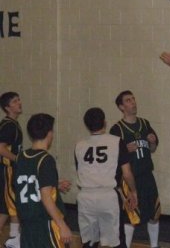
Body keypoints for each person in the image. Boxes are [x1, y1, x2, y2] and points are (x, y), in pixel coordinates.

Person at [75, 107, 138, 248]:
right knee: (116, 241)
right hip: (108, 196)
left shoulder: (79, 145)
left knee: (89, 242)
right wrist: (133, 191)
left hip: (86, 196)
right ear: (104, 122)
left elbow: (80, 170)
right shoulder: (116, 141)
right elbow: (127, 173)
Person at [110, 91, 161, 248]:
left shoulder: (144, 124)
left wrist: (152, 142)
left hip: (147, 175)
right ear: (121, 106)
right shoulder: (117, 129)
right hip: (130, 178)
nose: (133, 102)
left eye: (133, 99)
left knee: (154, 214)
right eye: (128, 100)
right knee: (131, 217)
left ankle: (154, 246)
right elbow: (112, 157)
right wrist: (125, 149)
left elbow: (152, 149)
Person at [14, 113, 72, 247]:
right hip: (45, 224)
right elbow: (46, 198)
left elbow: (27, 182)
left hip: (27, 224)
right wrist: (62, 225)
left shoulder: (20, 157)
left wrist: (53, 184)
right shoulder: (46, 159)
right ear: (49, 133)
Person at [0, 92, 23, 248]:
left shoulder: (11, 123)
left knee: (10, 209)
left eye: (19, 99)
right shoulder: (9, 126)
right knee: (9, 207)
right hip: (6, 171)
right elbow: (1, 149)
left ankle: (13, 241)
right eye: (15, 101)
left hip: (8, 171)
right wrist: (18, 159)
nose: (19, 103)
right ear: (7, 107)